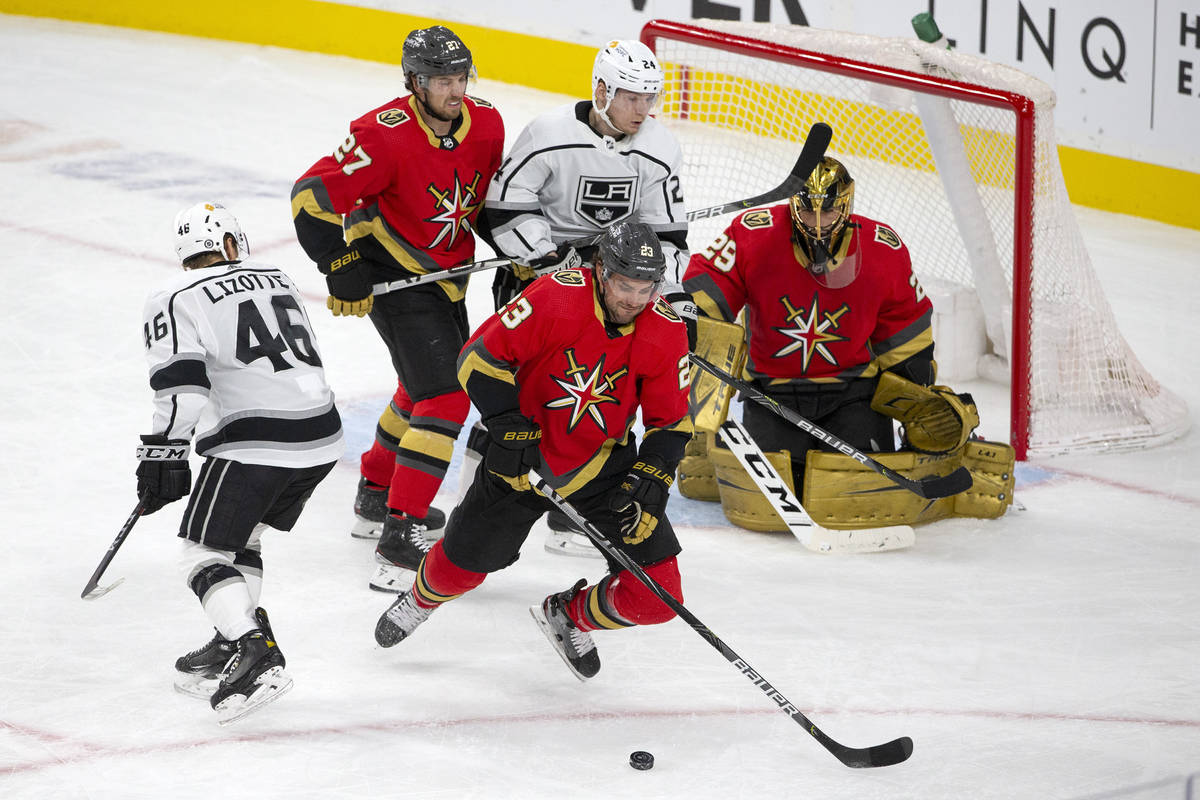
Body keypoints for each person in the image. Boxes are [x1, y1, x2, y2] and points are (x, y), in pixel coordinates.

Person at [372, 221, 693, 682]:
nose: (634, 300)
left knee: (657, 599)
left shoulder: (664, 328)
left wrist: (655, 474)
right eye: (625, 285)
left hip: (602, 469)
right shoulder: (555, 296)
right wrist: (507, 427)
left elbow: (671, 421)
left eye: (646, 289)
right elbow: (478, 359)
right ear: (602, 271)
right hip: (520, 462)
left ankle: (569, 614)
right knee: (460, 570)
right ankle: (421, 599)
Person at [290, 25, 504, 591]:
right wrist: (340, 264)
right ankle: (400, 531)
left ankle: (375, 492)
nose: (454, 91)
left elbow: (479, 202)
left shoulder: (487, 124)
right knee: (446, 395)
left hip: (448, 277)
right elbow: (310, 196)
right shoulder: (382, 136)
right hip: (393, 272)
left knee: (419, 389)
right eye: (441, 80)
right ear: (414, 81)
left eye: (460, 78)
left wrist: (518, 245)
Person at [478, 38, 693, 558]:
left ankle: (570, 509)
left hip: (616, 294)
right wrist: (549, 259)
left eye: (650, 98)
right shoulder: (548, 133)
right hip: (539, 291)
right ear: (601, 90)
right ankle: (479, 500)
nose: (644, 110)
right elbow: (502, 207)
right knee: (520, 399)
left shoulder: (659, 148)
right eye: (632, 97)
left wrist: (674, 297)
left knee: (596, 395)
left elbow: (667, 238)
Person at [137, 202, 344, 725]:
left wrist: (163, 451)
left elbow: (182, 385)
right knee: (242, 536)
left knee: (199, 553)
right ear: (231, 244)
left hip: (258, 440)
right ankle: (230, 639)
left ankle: (252, 649)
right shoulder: (277, 277)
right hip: (322, 432)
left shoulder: (174, 295)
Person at [681, 156, 937, 496]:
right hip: (770, 392)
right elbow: (705, 292)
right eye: (807, 212)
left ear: (845, 205)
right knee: (774, 493)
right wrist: (685, 320)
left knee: (857, 490)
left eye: (827, 212)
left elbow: (906, 326)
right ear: (793, 205)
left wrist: (918, 394)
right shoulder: (753, 234)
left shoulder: (881, 247)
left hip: (853, 392)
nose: (817, 224)